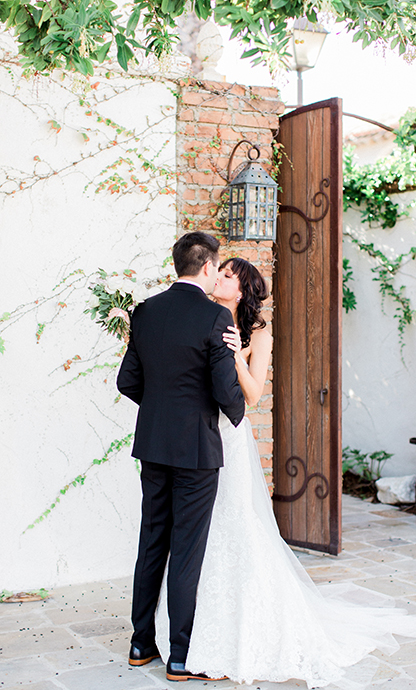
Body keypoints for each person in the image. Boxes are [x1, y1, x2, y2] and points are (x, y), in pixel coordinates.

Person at [156, 257, 416, 689]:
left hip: (229, 437)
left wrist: (236, 359)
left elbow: (256, 394)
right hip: (193, 434)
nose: (219, 277)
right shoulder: (197, 315)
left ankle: (237, 635)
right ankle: (189, 633)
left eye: (227, 275)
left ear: (241, 290)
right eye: (218, 271)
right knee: (193, 535)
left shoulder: (258, 333)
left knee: (234, 527)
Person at [116, 232, 245, 680]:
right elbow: (226, 390)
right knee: (187, 551)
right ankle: (179, 656)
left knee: (152, 541)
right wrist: (236, 412)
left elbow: (126, 381)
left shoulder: (146, 311)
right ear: (208, 267)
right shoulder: (215, 318)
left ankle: (139, 644)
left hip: (153, 446)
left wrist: (160, 411)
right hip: (195, 451)